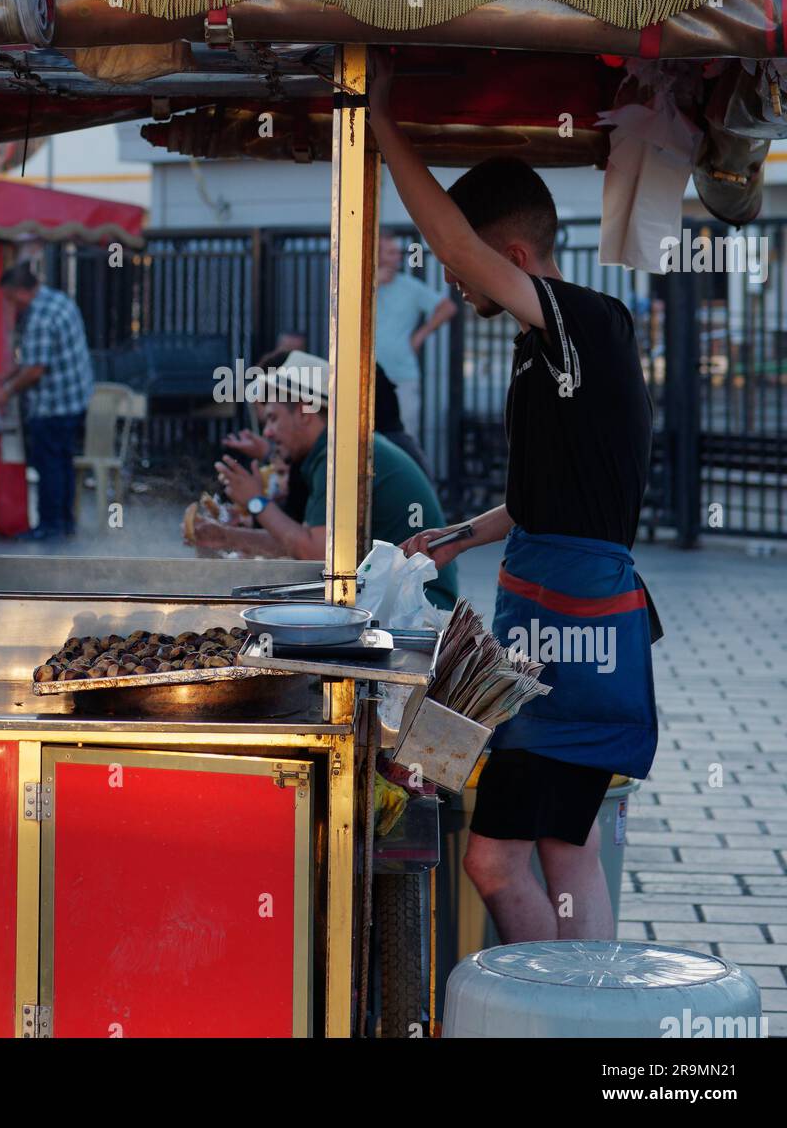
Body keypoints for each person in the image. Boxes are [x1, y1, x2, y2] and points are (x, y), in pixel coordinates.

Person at [369, 49, 658, 944]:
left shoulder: (587, 325)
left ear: (518, 258)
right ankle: (582, 1012)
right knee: (559, 852)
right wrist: (457, 536)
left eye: (471, 269)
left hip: (576, 636)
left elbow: (454, 244)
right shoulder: (545, 357)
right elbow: (549, 502)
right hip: (561, 631)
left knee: (506, 858)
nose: (454, 281)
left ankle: (557, 1011)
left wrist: (379, 124)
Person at [192, 352, 458, 611]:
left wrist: (256, 501)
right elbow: (302, 542)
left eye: (273, 418)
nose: (268, 432)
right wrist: (227, 536)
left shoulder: (338, 451)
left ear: (303, 412)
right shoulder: (332, 449)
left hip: (418, 607)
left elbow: (312, 551)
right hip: (401, 598)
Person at [0, 263, 93, 540]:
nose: (12, 306)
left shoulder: (38, 317)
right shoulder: (57, 300)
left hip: (53, 404)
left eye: (10, 299)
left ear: (20, 293)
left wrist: (6, 391)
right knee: (63, 462)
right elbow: (39, 357)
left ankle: (50, 526)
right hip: (74, 399)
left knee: (49, 466)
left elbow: (36, 370)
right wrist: (9, 374)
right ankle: (65, 522)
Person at [375, 228, 456, 437]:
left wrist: (420, 336)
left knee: (405, 436)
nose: (398, 257)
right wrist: (371, 282)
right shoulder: (359, 285)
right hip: (365, 375)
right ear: (376, 253)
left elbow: (448, 307)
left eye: (398, 252)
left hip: (402, 375)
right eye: (391, 252)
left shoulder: (410, 287)